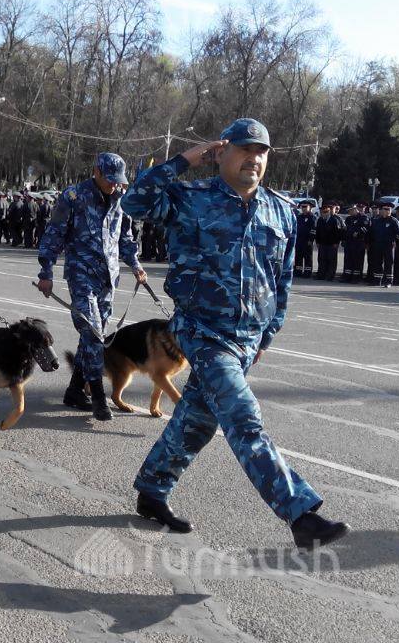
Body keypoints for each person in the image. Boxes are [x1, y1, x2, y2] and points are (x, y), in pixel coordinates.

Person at [121, 118, 348, 550]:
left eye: (261, 152)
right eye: (244, 149)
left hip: (248, 338)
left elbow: (282, 279)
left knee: (196, 422)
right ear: (222, 152)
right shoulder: (191, 198)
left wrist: (268, 334)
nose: (253, 158)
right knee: (243, 417)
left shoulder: (280, 210)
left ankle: (152, 489)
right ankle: (300, 515)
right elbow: (134, 202)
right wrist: (184, 160)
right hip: (202, 331)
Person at [37, 153, 146, 421]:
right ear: (96, 171)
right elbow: (54, 234)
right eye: (109, 179)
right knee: (94, 333)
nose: (113, 185)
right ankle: (98, 396)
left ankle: (75, 390)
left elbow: (124, 237)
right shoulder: (73, 197)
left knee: (93, 336)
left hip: (108, 278)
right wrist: (46, 271)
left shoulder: (120, 199)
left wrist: (135, 264)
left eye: (117, 180)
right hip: (81, 274)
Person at [367, 202, 399, 287]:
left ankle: (388, 281)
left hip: (388, 245)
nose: (387, 211)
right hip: (378, 245)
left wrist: (394, 241)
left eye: (388, 209)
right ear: (381, 210)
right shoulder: (377, 221)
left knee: (388, 263)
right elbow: (372, 232)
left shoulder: (394, 221)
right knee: (378, 262)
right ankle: (377, 280)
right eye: (385, 209)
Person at [315, 202, 343, 281]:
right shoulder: (320, 220)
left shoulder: (334, 220)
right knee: (321, 260)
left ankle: (330, 276)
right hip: (322, 243)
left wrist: (336, 243)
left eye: (326, 212)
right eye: (323, 212)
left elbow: (338, 233)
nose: (324, 214)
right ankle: (321, 275)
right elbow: (317, 232)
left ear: (329, 212)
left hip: (332, 244)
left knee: (331, 261)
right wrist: (317, 242)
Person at [341, 204, 369, 283]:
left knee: (357, 261)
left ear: (355, 209)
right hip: (349, 242)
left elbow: (366, 228)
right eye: (349, 211)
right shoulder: (348, 219)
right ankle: (347, 276)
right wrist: (344, 239)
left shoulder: (363, 218)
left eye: (351, 210)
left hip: (358, 242)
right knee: (348, 260)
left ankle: (356, 277)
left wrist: (358, 233)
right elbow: (345, 229)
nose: (349, 212)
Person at [294, 200, 317, 278]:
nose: (303, 208)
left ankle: (307, 272)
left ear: (310, 207)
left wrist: (311, 240)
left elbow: (313, 230)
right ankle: (298, 271)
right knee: (298, 256)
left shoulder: (312, 217)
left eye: (305, 207)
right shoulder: (299, 217)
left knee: (307, 257)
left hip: (307, 240)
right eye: (302, 207)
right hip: (299, 240)